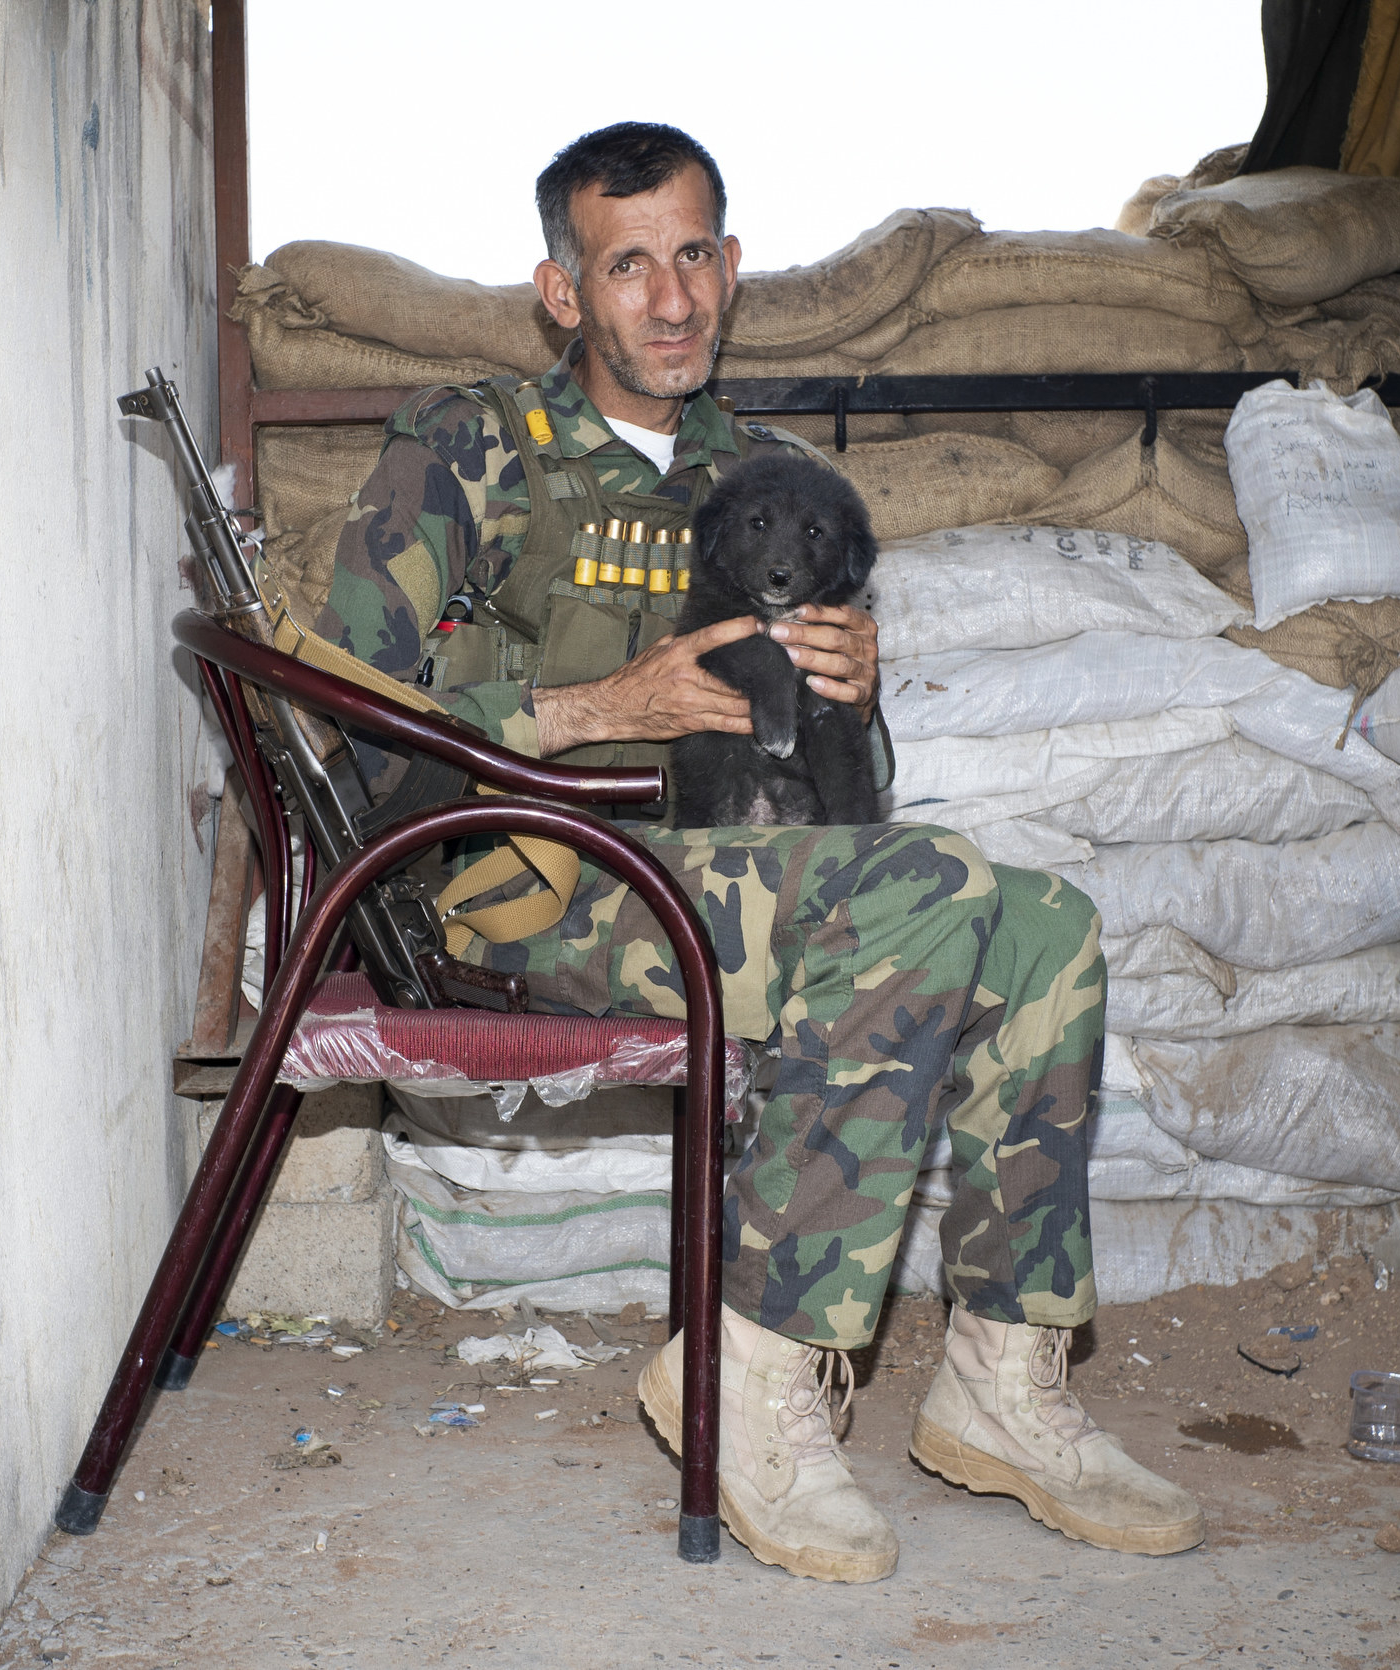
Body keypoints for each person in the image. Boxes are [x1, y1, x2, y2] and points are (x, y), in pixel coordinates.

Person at [312, 121, 1204, 1580]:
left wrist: (854, 691)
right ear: (562, 291)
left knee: (1045, 919)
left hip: (730, 875)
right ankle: (755, 1375)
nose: (671, 300)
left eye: (695, 255)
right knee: (937, 886)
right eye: (627, 266)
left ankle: (1002, 1372)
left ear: (731, 265)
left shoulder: (763, 477)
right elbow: (353, 702)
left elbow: (855, 789)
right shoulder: (469, 445)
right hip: (526, 885)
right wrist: (604, 705)